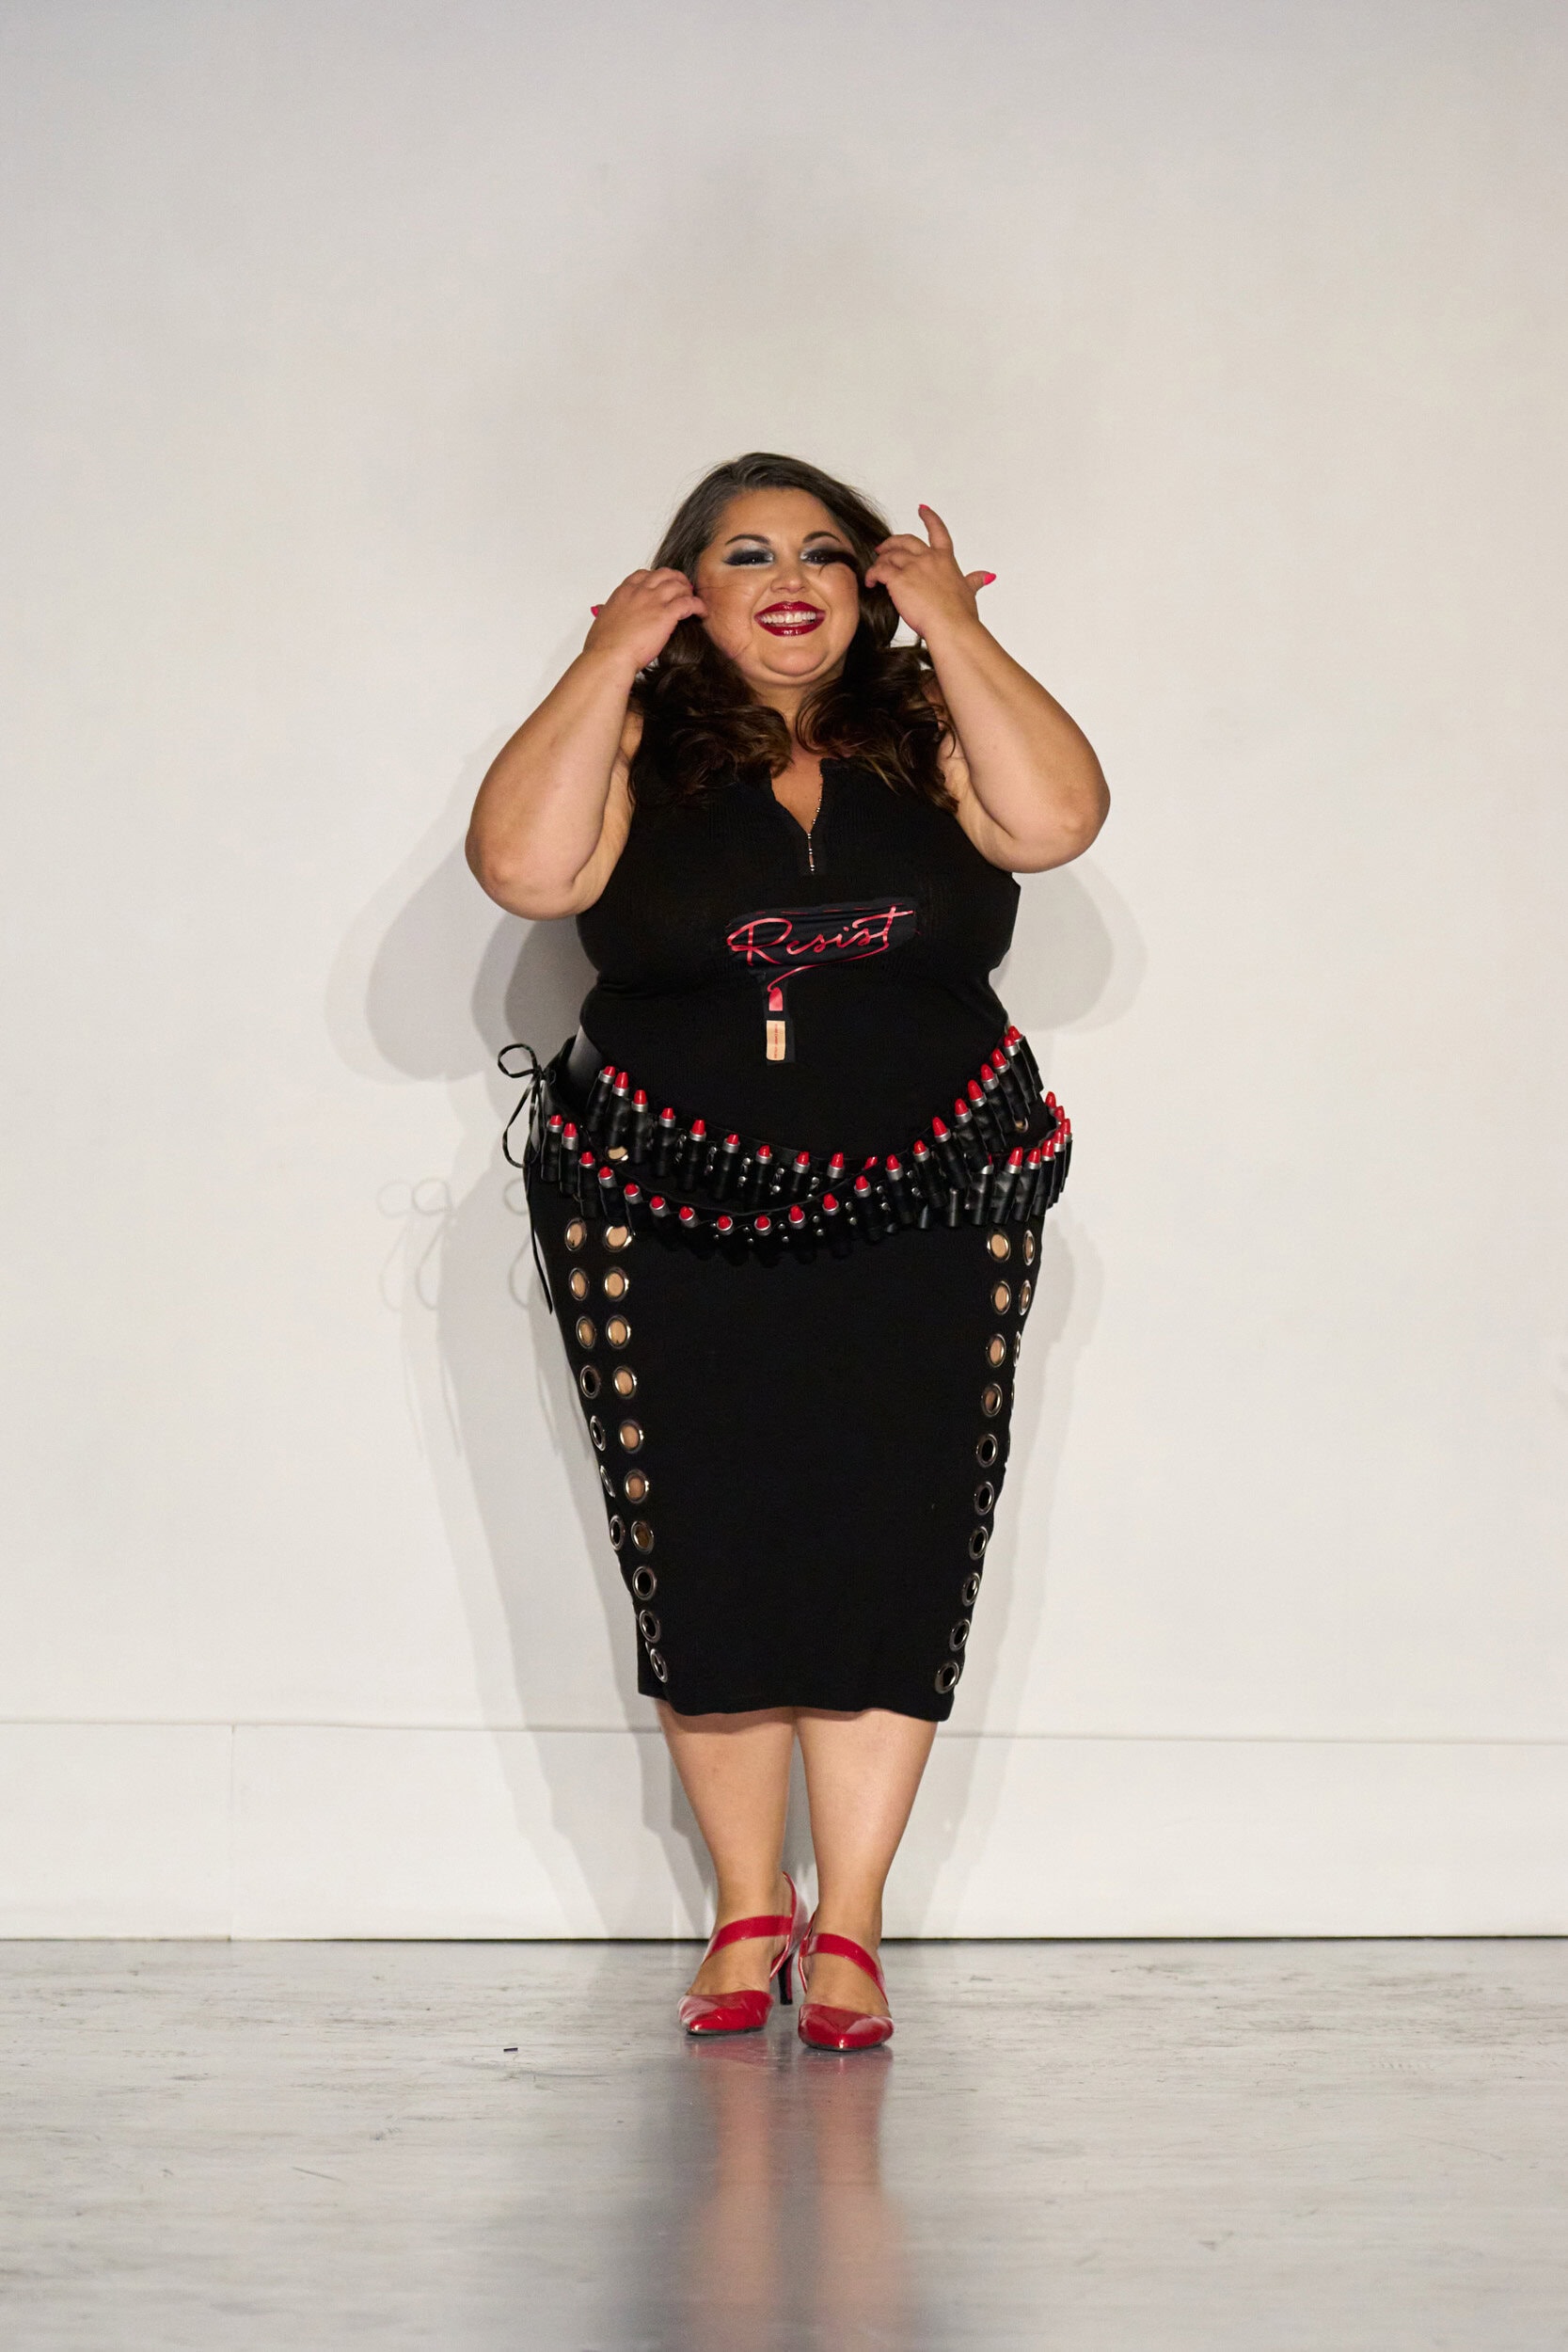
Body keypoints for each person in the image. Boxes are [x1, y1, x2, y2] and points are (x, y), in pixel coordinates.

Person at [467, 453, 1107, 2048]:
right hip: (662, 1209)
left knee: (900, 1546)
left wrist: (954, 628)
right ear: (687, 589)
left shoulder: (929, 730)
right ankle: (750, 1909)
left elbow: (1057, 820)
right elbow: (528, 870)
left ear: (869, 583)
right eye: (744, 553)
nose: (789, 577)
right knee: (711, 1551)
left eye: (824, 549)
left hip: (934, 1206)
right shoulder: (638, 736)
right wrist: (607, 657)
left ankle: (855, 1924)